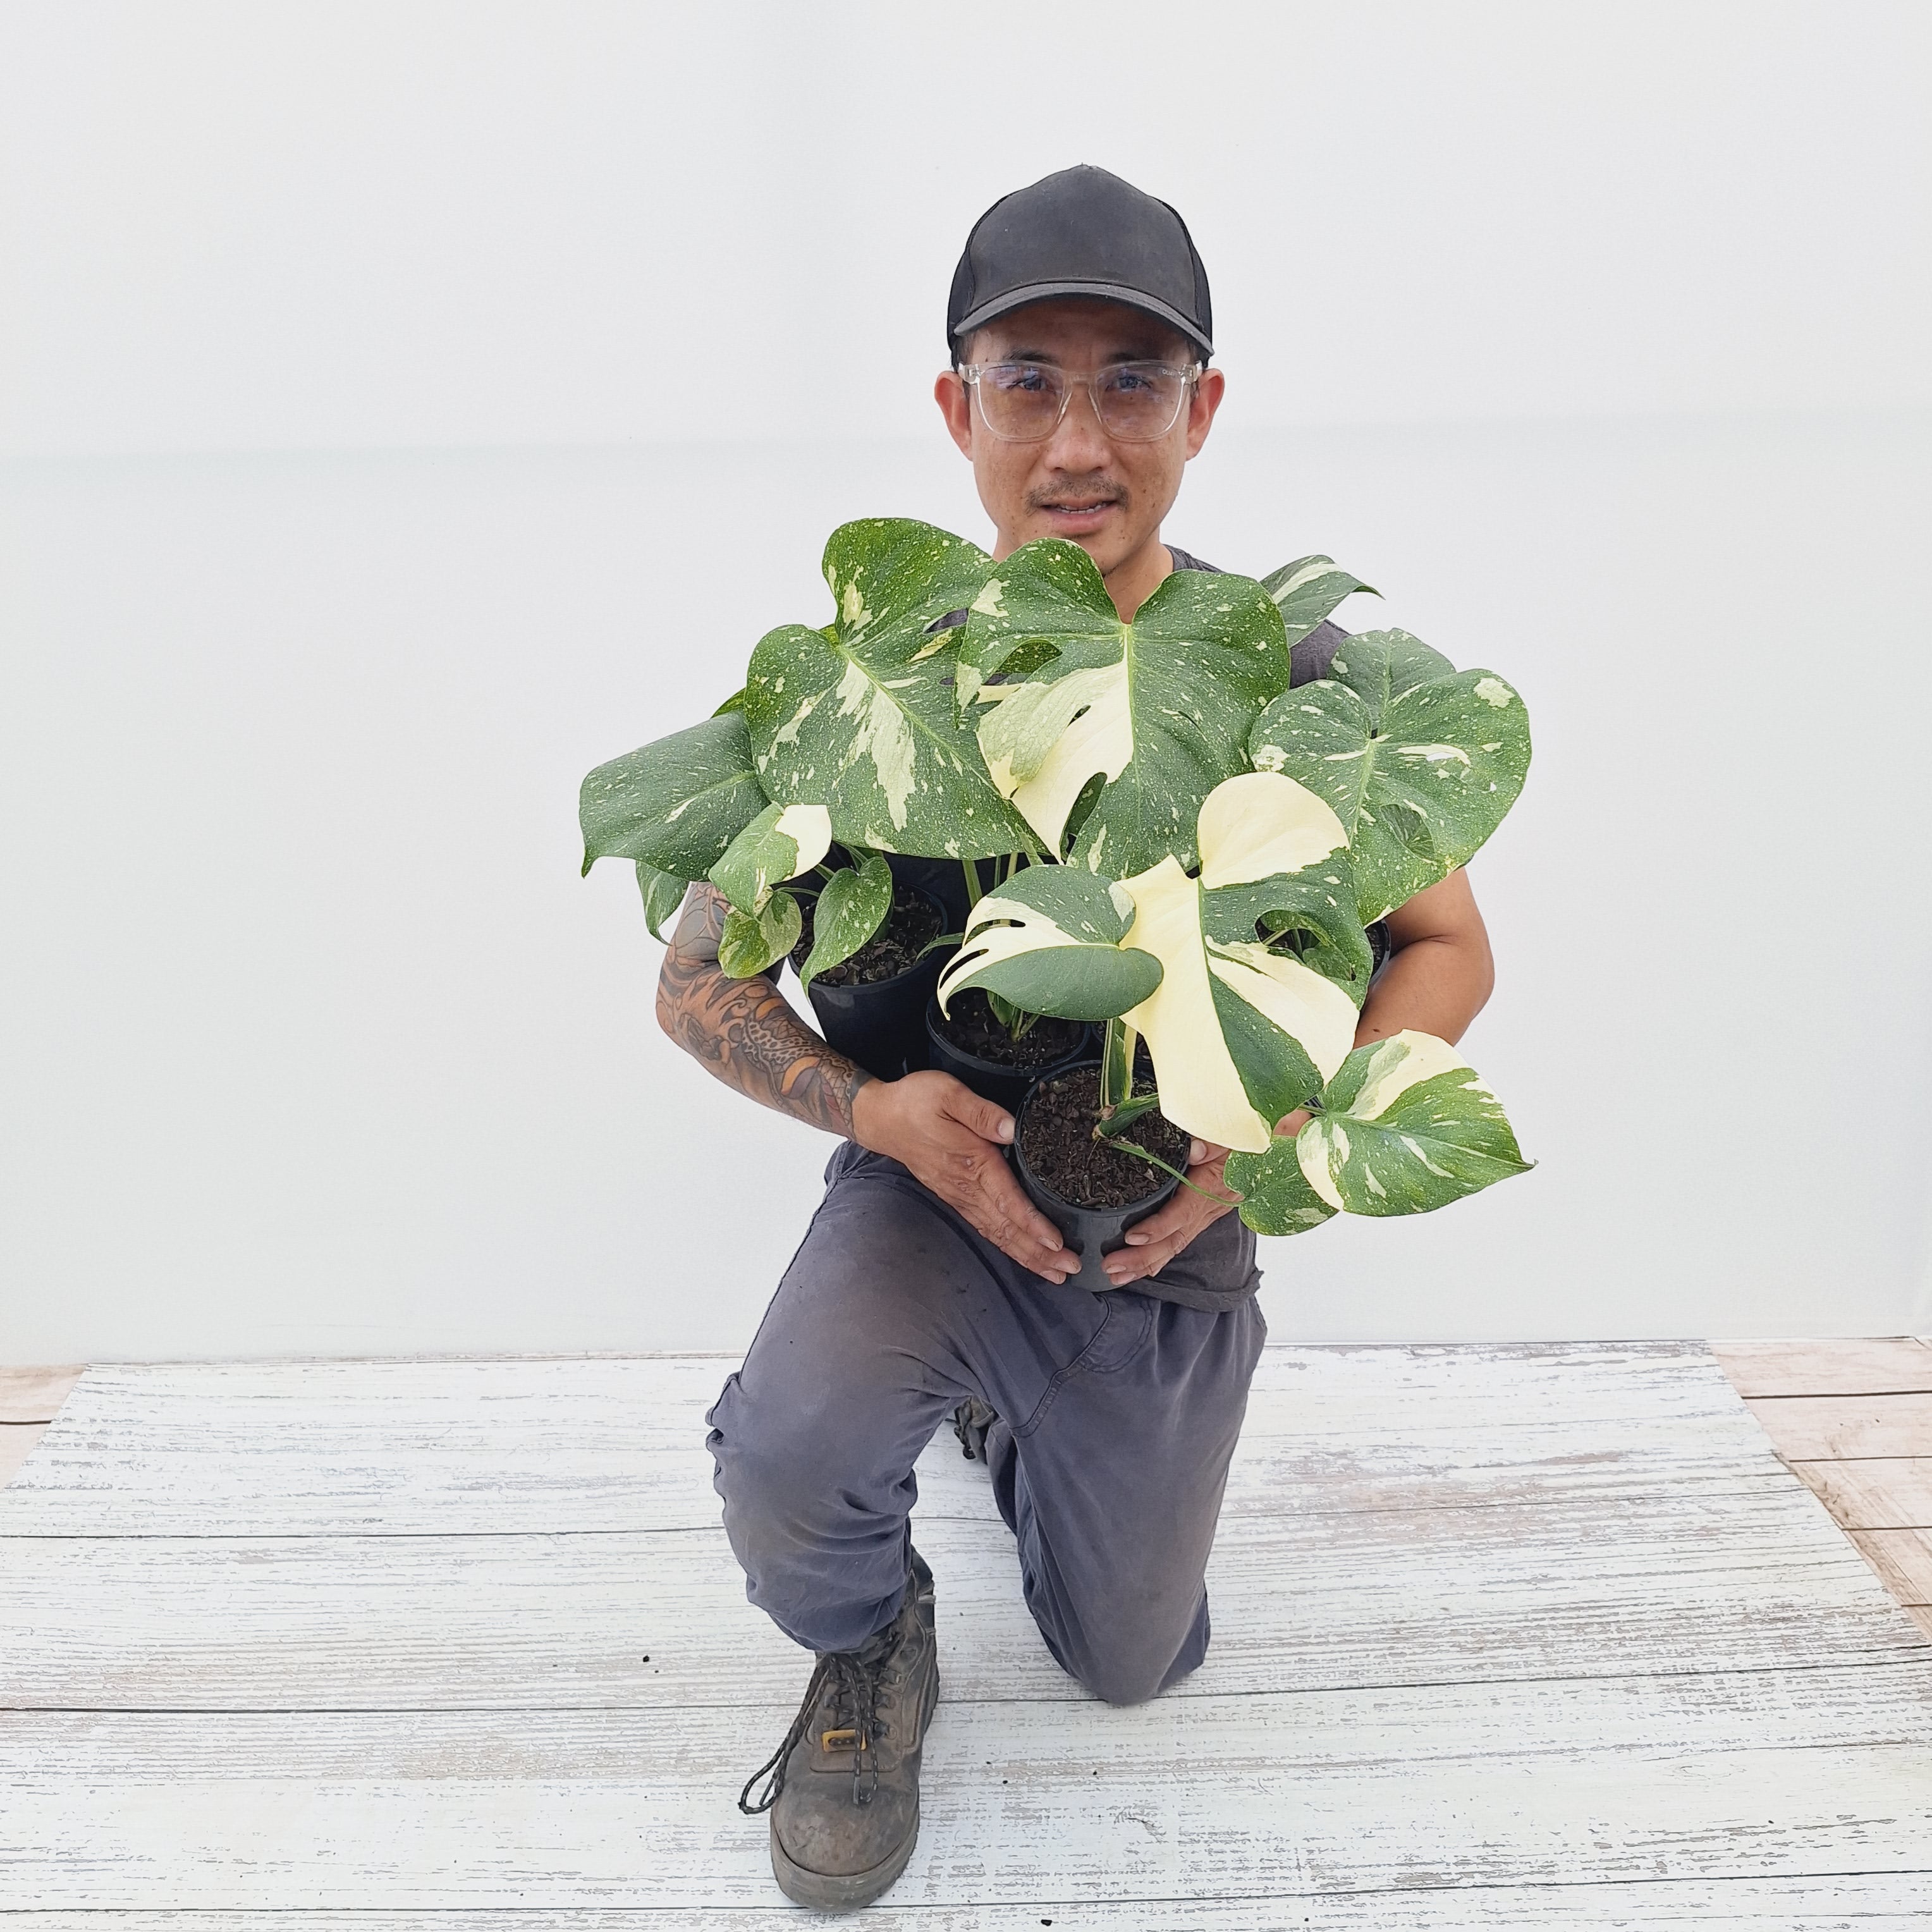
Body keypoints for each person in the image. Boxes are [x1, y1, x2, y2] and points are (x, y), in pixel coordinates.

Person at [657, 165, 1496, 1913]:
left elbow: (1444, 947)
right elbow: (696, 987)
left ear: (1203, 408)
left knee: (1128, 1665)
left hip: (1167, 1217)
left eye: (1132, 381)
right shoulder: (863, 676)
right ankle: (871, 1633)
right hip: (934, 1190)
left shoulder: (1294, 671)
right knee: (797, 1459)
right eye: (1029, 379)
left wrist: (1278, 1130)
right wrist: (877, 1113)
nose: (1077, 443)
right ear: (957, 407)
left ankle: (1016, 1422)